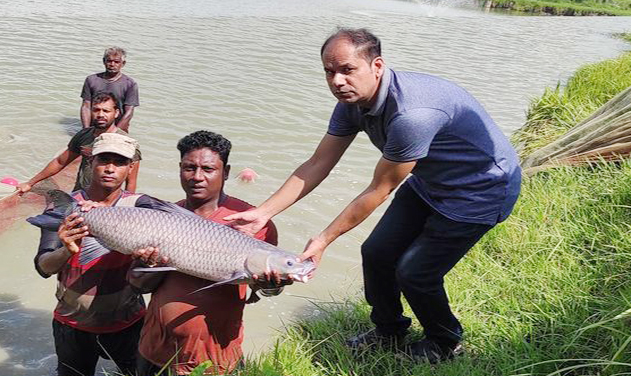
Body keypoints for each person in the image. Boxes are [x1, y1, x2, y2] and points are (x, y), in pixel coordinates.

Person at [224, 28, 522, 363]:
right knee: (377, 252)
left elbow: (380, 189)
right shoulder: (351, 102)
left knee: (415, 272)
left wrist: (323, 239)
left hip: (481, 189)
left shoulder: (411, 115)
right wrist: (265, 212)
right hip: (430, 182)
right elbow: (319, 162)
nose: (337, 81)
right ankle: (389, 330)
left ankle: (444, 341)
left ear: (376, 66)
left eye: (347, 70)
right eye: (329, 71)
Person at [130, 130, 282, 375]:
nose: (197, 177)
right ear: (180, 168)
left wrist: (272, 284)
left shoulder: (253, 223)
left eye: (208, 169)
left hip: (214, 357)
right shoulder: (161, 218)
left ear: (227, 172)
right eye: (189, 168)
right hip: (155, 349)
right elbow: (138, 286)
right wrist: (148, 265)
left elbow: (265, 291)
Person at [33, 133, 159, 376]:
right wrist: (66, 251)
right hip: (72, 323)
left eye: (119, 162)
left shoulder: (141, 207)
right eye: (103, 160)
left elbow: (182, 227)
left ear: (131, 168)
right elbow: (43, 267)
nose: (110, 169)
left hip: (128, 322)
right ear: (90, 162)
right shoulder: (65, 206)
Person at [17, 92, 141, 195]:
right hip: (81, 195)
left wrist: (125, 205)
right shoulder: (84, 135)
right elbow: (60, 162)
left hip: (108, 201)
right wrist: (30, 183)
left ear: (116, 113)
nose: (100, 115)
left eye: (106, 111)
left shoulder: (127, 143)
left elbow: (131, 182)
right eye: (96, 110)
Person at [80, 46, 139, 131]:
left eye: (116, 62)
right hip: (94, 127)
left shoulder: (130, 84)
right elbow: (86, 106)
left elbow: (129, 112)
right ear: (104, 61)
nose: (112, 64)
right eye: (109, 61)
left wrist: (115, 132)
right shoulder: (91, 80)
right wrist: (86, 129)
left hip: (118, 128)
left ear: (123, 63)